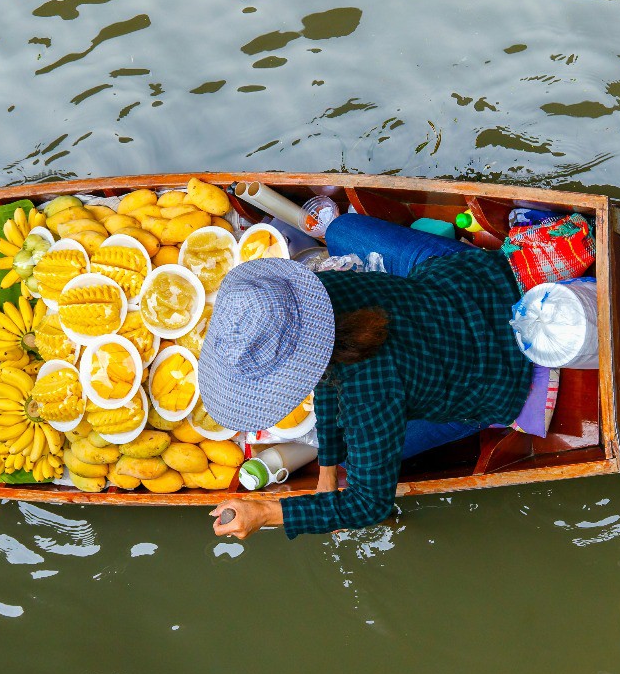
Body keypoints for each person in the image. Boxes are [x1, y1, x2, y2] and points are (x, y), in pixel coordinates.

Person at [198, 214, 533, 539]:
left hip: (500, 376)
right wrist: (326, 470)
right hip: (475, 280)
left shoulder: (368, 396)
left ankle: (489, 418)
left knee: (352, 457)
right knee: (341, 229)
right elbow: (327, 370)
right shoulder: (317, 292)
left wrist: (267, 513)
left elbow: (369, 504)